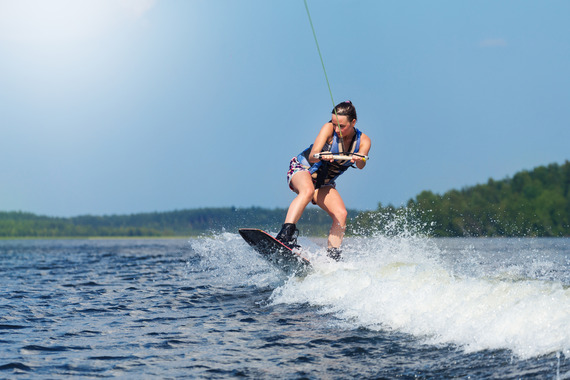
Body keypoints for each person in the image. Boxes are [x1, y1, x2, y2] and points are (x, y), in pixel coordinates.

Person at [275, 101, 371, 261]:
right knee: (307, 191)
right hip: (302, 169)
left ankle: (333, 257)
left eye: (341, 126)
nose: (337, 129)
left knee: (341, 213)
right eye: (334, 124)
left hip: (323, 182)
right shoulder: (328, 129)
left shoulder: (364, 141)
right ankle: (284, 236)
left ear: (353, 122)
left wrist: (357, 158)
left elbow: (361, 165)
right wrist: (323, 154)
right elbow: (313, 155)